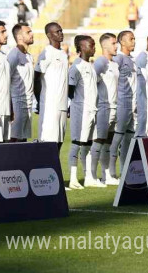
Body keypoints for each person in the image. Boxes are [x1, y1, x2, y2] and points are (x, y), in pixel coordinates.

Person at [67, 35, 104, 190]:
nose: (94, 48)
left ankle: (88, 177)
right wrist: (74, 106)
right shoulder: (76, 66)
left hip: (92, 110)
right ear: (82, 47)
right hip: (81, 111)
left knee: (88, 144)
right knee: (77, 143)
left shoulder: (90, 66)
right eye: (91, 45)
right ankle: (73, 179)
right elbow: (70, 90)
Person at [34, 22, 68, 148]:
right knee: (48, 143)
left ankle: (55, 168)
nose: (60, 33)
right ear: (49, 35)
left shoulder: (63, 54)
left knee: (59, 142)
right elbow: (36, 78)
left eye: (61, 30)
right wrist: (39, 100)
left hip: (62, 105)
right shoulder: (46, 53)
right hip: (50, 106)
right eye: (57, 31)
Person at [108, 30, 137, 179]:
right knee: (117, 138)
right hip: (122, 103)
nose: (134, 41)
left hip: (133, 104)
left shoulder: (133, 60)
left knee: (129, 139)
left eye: (134, 39)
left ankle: (125, 170)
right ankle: (111, 172)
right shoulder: (118, 59)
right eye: (131, 39)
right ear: (122, 42)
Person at [93, 33, 120, 186]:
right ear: (105, 46)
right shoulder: (100, 63)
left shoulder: (114, 64)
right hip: (103, 108)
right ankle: (92, 175)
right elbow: (92, 83)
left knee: (109, 143)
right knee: (98, 142)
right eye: (114, 43)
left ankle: (107, 174)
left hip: (115, 108)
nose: (116, 46)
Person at [7, 23, 34, 143]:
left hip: (28, 103)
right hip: (17, 103)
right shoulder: (13, 55)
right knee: (13, 140)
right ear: (19, 37)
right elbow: (6, 81)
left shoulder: (29, 56)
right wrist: (10, 108)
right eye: (28, 32)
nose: (32, 34)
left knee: (23, 140)